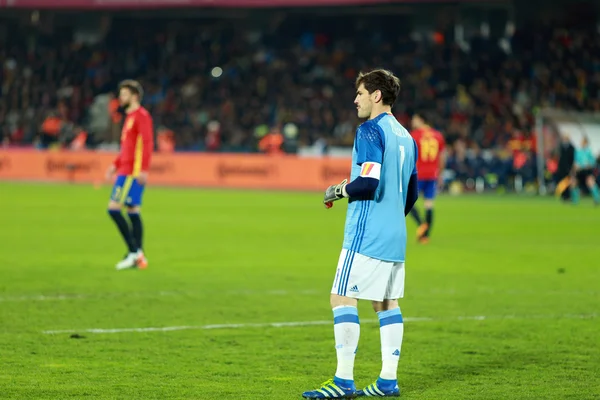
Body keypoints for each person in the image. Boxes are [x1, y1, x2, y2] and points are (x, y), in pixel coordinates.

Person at [303, 69, 418, 399]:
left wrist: (336, 191)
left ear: (376, 96)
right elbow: (411, 194)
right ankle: (387, 381)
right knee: (385, 302)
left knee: (341, 296)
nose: (355, 100)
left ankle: (343, 381)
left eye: (361, 93)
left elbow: (367, 184)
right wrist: (391, 219)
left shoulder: (370, 130)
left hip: (366, 234)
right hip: (395, 236)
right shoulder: (406, 138)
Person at [106, 80, 154, 270]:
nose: (120, 98)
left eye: (124, 94)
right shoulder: (129, 118)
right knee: (133, 210)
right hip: (125, 168)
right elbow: (128, 148)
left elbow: (147, 143)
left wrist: (143, 169)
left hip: (131, 173)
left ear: (134, 96)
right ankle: (138, 255)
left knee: (113, 209)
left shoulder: (141, 116)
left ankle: (134, 252)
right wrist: (114, 164)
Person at [409, 112, 446, 243]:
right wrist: (440, 174)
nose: (412, 122)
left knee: (407, 201)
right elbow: (442, 157)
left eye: (414, 119)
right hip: (433, 175)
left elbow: (410, 157)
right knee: (429, 204)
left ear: (420, 119)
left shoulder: (414, 136)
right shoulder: (438, 135)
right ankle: (425, 236)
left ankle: (421, 224)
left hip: (418, 174)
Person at [572, 137, 600, 204]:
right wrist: (576, 166)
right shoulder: (578, 151)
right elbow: (575, 161)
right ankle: (575, 200)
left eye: (584, 142)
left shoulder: (589, 151)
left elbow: (593, 162)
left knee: (591, 183)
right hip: (579, 171)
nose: (582, 143)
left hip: (587, 171)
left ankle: (597, 198)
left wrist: (588, 164)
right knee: (573, 183)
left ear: (586, 143)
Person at [554, 134, 576, 202]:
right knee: (562, 182)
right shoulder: (561, 147)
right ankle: (563, 196)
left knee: (568, 183)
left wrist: (571, 168)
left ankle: (569, 196)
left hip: (568, 168)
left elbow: (572, 159)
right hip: (561, 168)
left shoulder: (572, 147)